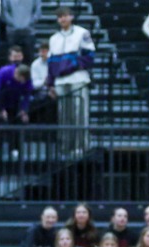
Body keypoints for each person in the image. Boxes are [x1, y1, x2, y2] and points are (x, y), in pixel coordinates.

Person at [43, 7, 96, 151]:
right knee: (64, 116)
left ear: (71, 17)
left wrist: (73, 65)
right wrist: (50, 83)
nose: (62, 19)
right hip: (61, 81)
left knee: (80, 114)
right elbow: (51, 63)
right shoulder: (54, 38)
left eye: (65, 16)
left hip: (78, 79)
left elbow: (89, 56)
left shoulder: (82, 33)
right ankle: (65, 147)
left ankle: (81, 147)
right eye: (59, 17)